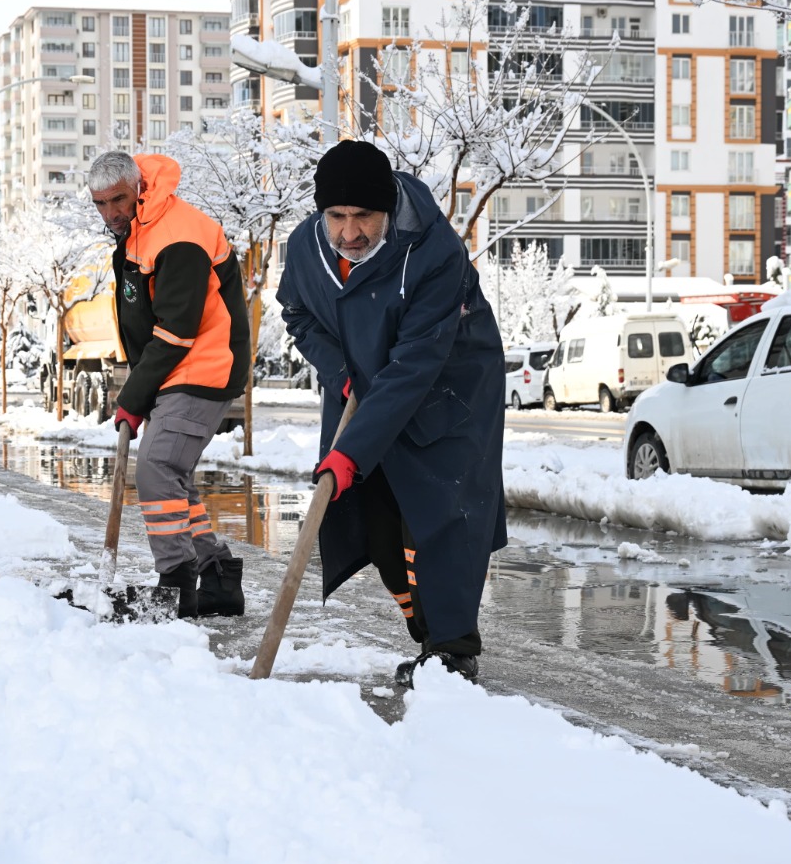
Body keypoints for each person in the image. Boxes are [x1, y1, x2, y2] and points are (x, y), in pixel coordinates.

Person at [276, 141, 506, 683]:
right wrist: (340, 369)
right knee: (374, 521)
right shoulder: (308, 247)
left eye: (364, 217)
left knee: (440, 517)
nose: (350, 233)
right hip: (364, 385)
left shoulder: (433, 252)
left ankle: (451, 649)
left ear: (387, 209)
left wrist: (348, 452)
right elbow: (298, 314)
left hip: (448, 387)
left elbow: (415, 365)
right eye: (337, 216)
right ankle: (427, 631)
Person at [87, 150, 250, 617]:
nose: (111, 212)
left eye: (118, 199)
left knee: (156, 468)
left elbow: (178, 329)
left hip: (204, 365)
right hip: (181, 370)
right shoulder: (142, 229)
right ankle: (217, 580)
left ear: (139, 187)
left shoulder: (177, 234)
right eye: (100, 204)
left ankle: (177, 583)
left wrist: (133, 396)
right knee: (174, 477)